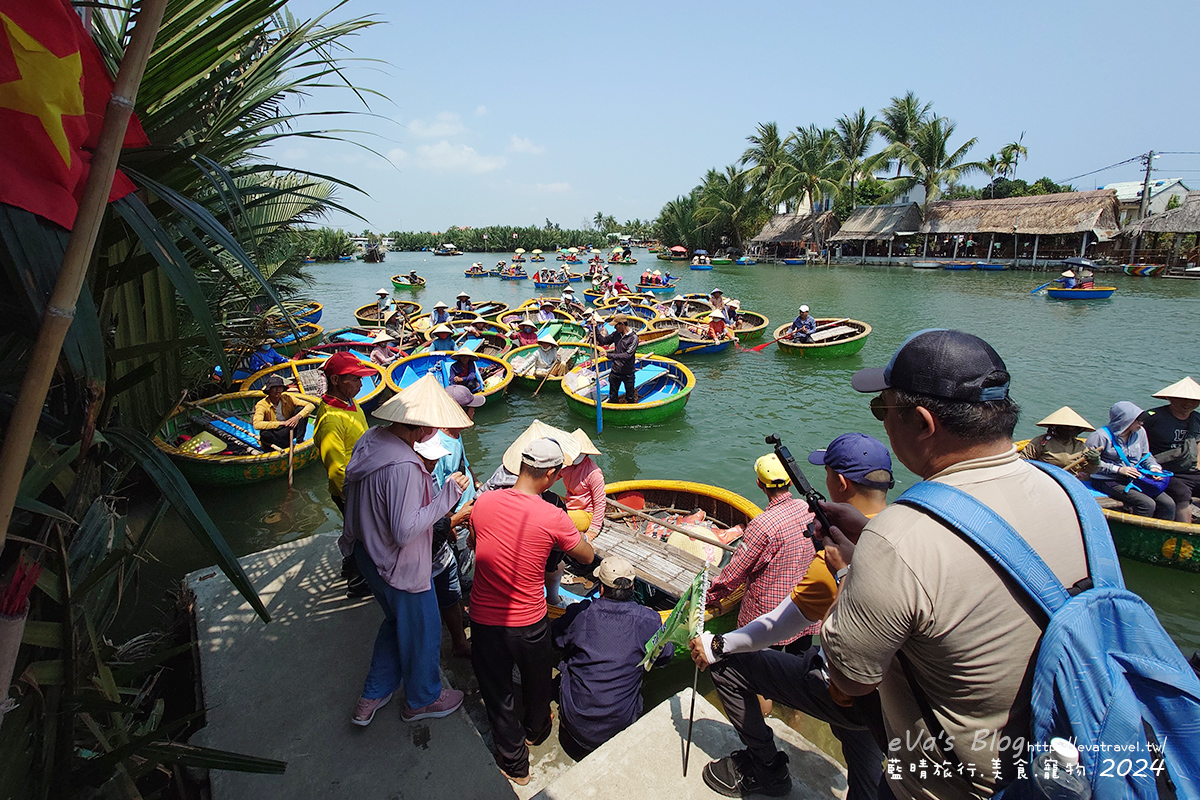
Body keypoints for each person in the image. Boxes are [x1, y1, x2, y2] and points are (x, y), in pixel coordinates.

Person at [816, 329, 1089, 799]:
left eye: (882, 409)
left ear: (923, 423)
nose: (882, 421)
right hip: (1060, 764)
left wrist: (850, 569)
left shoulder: (899, 538)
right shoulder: (1072, 493)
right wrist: (876, 541)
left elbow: (849, 680)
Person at [692, 435, 894, 800]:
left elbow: (778, 622)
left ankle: (766, 768)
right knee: (863, 753)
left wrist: (718, 643)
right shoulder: (904, 529)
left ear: (841, 483)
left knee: (729, 665)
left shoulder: (831, 559)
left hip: (841, 677)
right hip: (889, 696)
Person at [339, 375, 472, 726]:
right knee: (424, 629)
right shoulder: (405, 467)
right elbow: (404, 530)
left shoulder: (371, 441)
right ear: (421, 429)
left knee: (397, 623)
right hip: (397, 564)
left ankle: (373, 693)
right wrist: (447, 496)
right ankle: (422, 699)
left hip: (367, 553)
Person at [469, 438, 596, 785]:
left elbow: (475, 541)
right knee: (538, 679)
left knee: (497, 692)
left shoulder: (484, 502)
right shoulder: (553, 515)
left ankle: (515, 765)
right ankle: (536, 730)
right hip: (529, 620)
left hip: (483, 619)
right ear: (552, 475)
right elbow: (585, 556)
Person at [551, 556, 673, 760]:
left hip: (576, 724)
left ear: (600, 589)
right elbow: (665, 656)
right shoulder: (647, 619)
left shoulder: (582, 614)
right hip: (619, 724)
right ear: (632, 587)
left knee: (566, 663)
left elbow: (556, 638)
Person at [706, 454, 820, 654]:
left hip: (768, 618)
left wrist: (710, 595)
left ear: (760, 484)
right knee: (799, 665)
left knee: (764, 670)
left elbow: (734, 574)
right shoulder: (807, 509)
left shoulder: (763, 525)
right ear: (791, 482)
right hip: (803, 607)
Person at [428, 384, 486, 657]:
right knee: (461, 572)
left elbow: (463, 462)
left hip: (469, 508)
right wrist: (453, 522)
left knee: (468, 564)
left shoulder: (455, 436)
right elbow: (437, 495)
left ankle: (462, 607)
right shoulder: (438, 449)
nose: (474, 410)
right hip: (458, 520)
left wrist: (475, 479)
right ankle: (461, 613)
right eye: (471, 407)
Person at [312, 352, 376, 597]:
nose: (361, 384)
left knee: (355, 531)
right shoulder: (330, 420)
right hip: (352, 490)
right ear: (336, 380)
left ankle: (350, 566)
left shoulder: (350, 403)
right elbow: (337, 468)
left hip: (362, 482)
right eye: (355, 379)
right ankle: (358, 582)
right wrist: (353, 499)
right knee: (364, 535)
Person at [1086, 401, 1175, 520]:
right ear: (1124, 420)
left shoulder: (1140, 432)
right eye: (1138, 420)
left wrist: (1154, 468)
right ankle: (1138, 535)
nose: (1141, 423)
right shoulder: (1100, 437)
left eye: (1143, 419)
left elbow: (1146, 455)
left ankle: (1164, 535)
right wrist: (1119, 469)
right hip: (1107, 480)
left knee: (1168, 503)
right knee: (1147, 504)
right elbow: (1089, 464)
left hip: (1134, 477)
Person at [1143, 376, 1200, 522]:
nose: (1187, 404)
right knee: (1182, 493)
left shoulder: (1197, 420)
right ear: (1170, 398)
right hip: (1160, 470)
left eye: (1193, 400)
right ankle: (1185, 535)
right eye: (1182, 399)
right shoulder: (1153, 417)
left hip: (1188, 470)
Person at [1018, 406, 1099, 474]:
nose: (1069, 429)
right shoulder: (1042, 441)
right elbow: (1023, 460)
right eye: (1065, 427)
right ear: (1056, 427)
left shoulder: (1080, 446)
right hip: (1042, 477)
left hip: (1068, 481)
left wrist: (1094, 461)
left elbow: (1089, 471)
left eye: (1072, 427)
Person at [558, 428, 606, 539]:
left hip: (585, 514)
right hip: (569, 507)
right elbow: (551, 478)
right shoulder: (566, 466)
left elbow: (600, 503)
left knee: (557, 519)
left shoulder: (594, 473)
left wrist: (592, 531)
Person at [251, 374, 314, 450]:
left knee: (301, 410)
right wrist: (282, 423)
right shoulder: (262, 404)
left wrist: (296, 418)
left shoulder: (287, 398)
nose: (278, 390)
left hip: (289, 428)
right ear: (269, 390)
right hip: (276, 432)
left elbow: (310, 405)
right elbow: (257, 424)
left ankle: (299, 441)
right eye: (274, 388)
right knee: (265, 434)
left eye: (280, 387)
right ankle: (284, 444)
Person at [596, 313, 638, 404]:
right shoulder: (616, 334)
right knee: (613, 397)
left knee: (630, 398)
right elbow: (603, 341)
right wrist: (595, 328)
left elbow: (627, 355)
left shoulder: (633, 338)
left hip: (628, 373)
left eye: (616, 326)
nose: (614, 328)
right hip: (615, 371)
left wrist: (609, 355)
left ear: (622, 324)